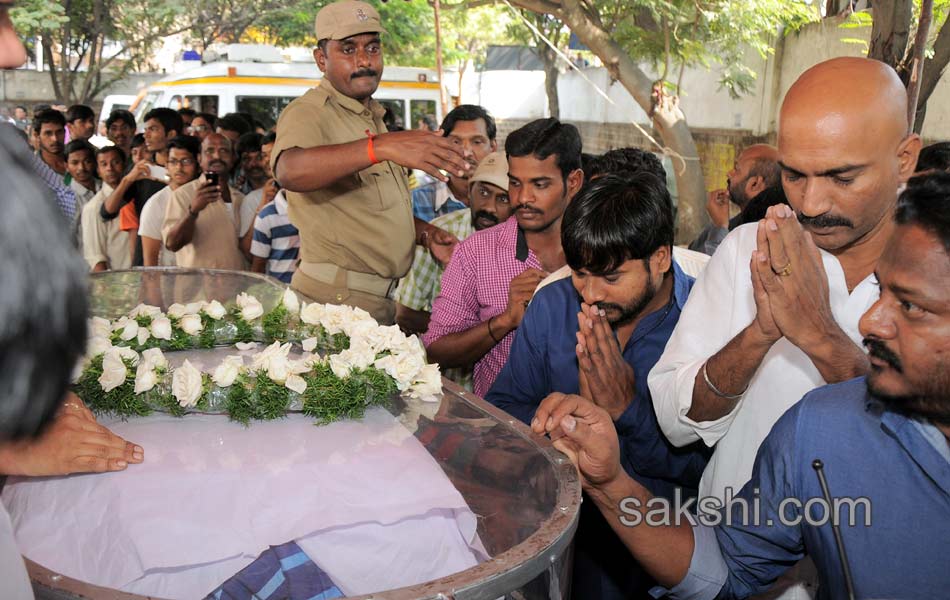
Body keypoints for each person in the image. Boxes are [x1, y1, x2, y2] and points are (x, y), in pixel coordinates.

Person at [532, 172, 950, 599]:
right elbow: (726, 569)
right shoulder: (818, 430)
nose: (869, 322)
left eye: (912, 306)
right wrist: (610, 484)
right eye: (881, 290)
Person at [649, 60, 921, 598]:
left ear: (905, 159)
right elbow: (676, 423)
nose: (811, 204)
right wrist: (759, 334)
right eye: (795, 175)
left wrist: (821, 336)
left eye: (843, 177)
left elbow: (923, 457)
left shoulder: (935, 279)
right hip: (722, 564)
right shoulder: (746, 250)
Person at [487, 172, 710, 599]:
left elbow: (710, 469)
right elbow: (503, 406)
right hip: (565, 543)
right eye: (580, 272)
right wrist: (556, 424)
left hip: (663, 549)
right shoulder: (554, 305)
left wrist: (627, 411)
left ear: (660, 257)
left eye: (610, 277)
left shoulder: (706, 320)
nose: (589, 294)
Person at [271, 0, 473, 324]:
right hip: (333, 303)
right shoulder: (310, 111)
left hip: (372, 303)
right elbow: (289, 170)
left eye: (373, 48)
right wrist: (380, 147)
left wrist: (424, 234)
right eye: (348, 49)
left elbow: (364, 211)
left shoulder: (371, 117)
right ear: (321, 59)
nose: (364, 60)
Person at [424, 117, 583, 397]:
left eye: (540, 184)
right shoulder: (476, 253)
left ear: (573, 182)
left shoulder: (600, 250)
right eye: (515, 183)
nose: (523, 198)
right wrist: (504, 321)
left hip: (590, 430)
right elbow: (436, 350)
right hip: (503, 431)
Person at [395, 152, 513, 389]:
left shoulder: (524, 245)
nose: (489, 207)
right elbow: (404, 314)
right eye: (483, 192)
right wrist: (476, 330)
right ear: (469, 192)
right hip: (444, 382)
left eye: (503, 199)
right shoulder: (442, 233)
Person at [163, 133, 255, 269]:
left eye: (223, 151)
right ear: (200, 159)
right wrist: (193, 211)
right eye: (210, 151)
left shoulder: (241, 198)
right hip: (198, 287)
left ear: (233, 158)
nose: (217, 156)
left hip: (237, 286)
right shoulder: (182, 195)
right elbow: (172, 244)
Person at [689, 144, 781, 256]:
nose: (729, 173)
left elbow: (706, 268)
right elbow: (692, 253)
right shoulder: (738, 220)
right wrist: (717, 223)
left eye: (737, 169)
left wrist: (720, 226)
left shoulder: (761, 234)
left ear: (755, 184)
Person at [411, 104, 497, 222]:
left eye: (477, 142)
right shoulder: (415, 202)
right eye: (456, 142)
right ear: (442, 146)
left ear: (492, 147)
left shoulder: (509, 200)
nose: (466, 153)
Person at [138, 135, 201, 267]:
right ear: (166, 165)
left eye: (186, 161)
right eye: (173, 161)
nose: (179, 167)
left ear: (198, 163)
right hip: (170, 283)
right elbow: (150, 262)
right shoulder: (156, 204)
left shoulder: (207, 198)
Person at [82, 146, 132, 272]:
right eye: (104, 164)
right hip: (117, 282)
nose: (110, 168)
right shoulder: (94, 207)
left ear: (125, 165)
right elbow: (96, 259)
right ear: (98, 170)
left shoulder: (134, 195)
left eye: (115, 162)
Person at [64, 138, 100, 242]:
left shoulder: (105, 187)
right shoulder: (67, 197)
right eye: (75, 163)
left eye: (87, 161)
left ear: (94, 162)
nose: (81, 168)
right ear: (66, 166)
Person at [33, 107, 67, 176]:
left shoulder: (80, 160)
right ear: (37, 136)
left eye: (59, 132)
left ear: (65, 132)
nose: (55, 139)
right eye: (48, 133)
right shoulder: (30, 168)